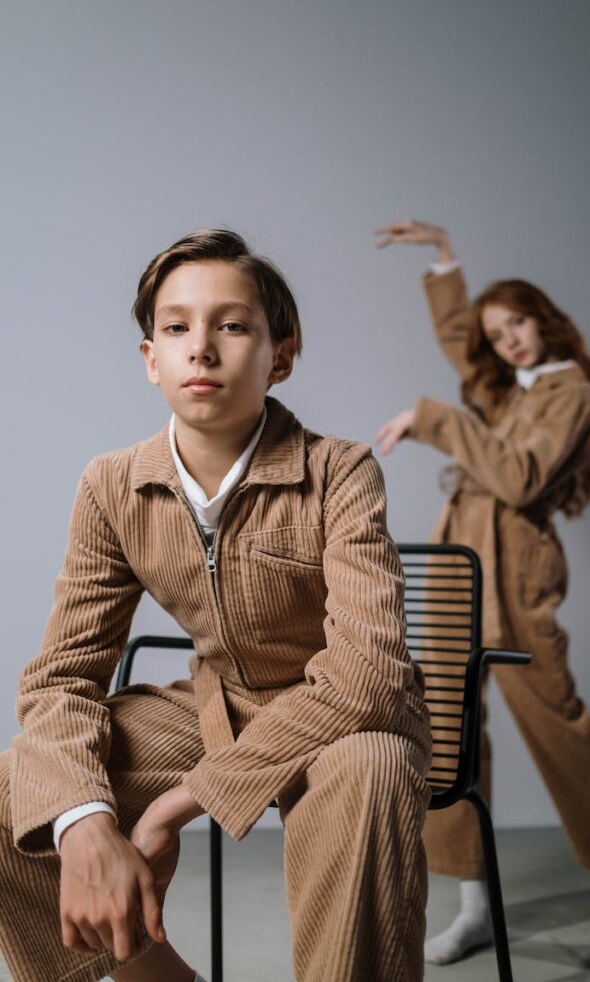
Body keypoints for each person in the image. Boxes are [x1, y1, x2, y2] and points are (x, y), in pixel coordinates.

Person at [0, 228, 432, 982]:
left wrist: (182, 803)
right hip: (217, 707)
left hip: (342, 720)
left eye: (231, 325)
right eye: (176, 328)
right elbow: (60, 681)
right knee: (25, 784)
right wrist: (85, 821)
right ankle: (154, 977)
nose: (200, 348)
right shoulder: (111, 484)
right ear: (151, 359)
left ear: (281, 355)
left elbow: (367, 677)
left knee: (373, 762)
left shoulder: (340, 471)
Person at [373, 218, 590, 965]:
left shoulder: (568, 394)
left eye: (516, 323)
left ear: (541, 320)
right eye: (497, 331)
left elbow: (518, 477)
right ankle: (472, 903)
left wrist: (434, 420)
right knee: (444, 728)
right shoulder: (507, 390)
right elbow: (461, 346)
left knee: (558, 722)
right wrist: (446, 262)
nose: (508, 340)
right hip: (458, 561)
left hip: (512, 571)